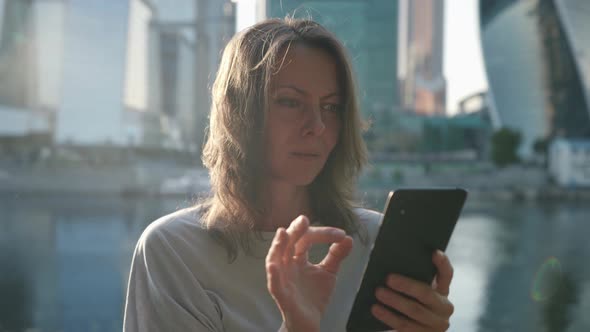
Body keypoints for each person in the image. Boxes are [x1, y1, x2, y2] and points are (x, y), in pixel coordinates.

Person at [123, 17, 455, 332]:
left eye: (331, 107)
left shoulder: (376, 242)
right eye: (290, 102)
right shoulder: (172, 251)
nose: (318, 126)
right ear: (238, 112)